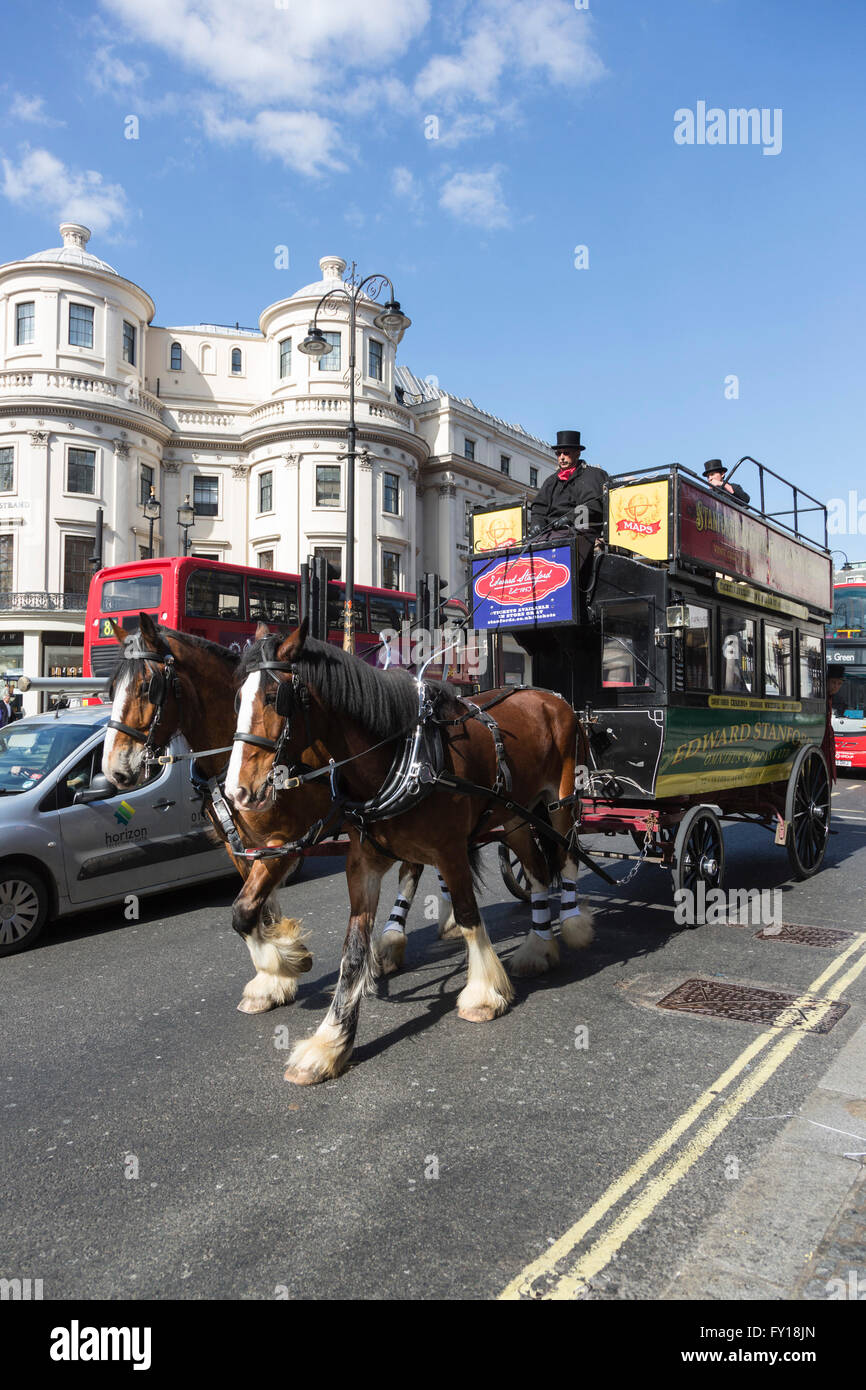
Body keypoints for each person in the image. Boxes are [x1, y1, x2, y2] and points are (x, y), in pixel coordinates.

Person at [531, 431, 610, 539]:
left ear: (577, 453)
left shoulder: (593, 475)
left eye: (566, 453)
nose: (562, 457)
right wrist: (537, 522)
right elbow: (539, 508)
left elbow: (593, 506)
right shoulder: (550, 481)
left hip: (582, 531)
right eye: (558, 454)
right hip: (551, 532)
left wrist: (569, 518)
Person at [823, 663, 845, 784]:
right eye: (833, 682)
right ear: (826, 681)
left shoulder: (833, 698)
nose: (836, 686)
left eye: (839, 684)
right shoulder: (822, 697)